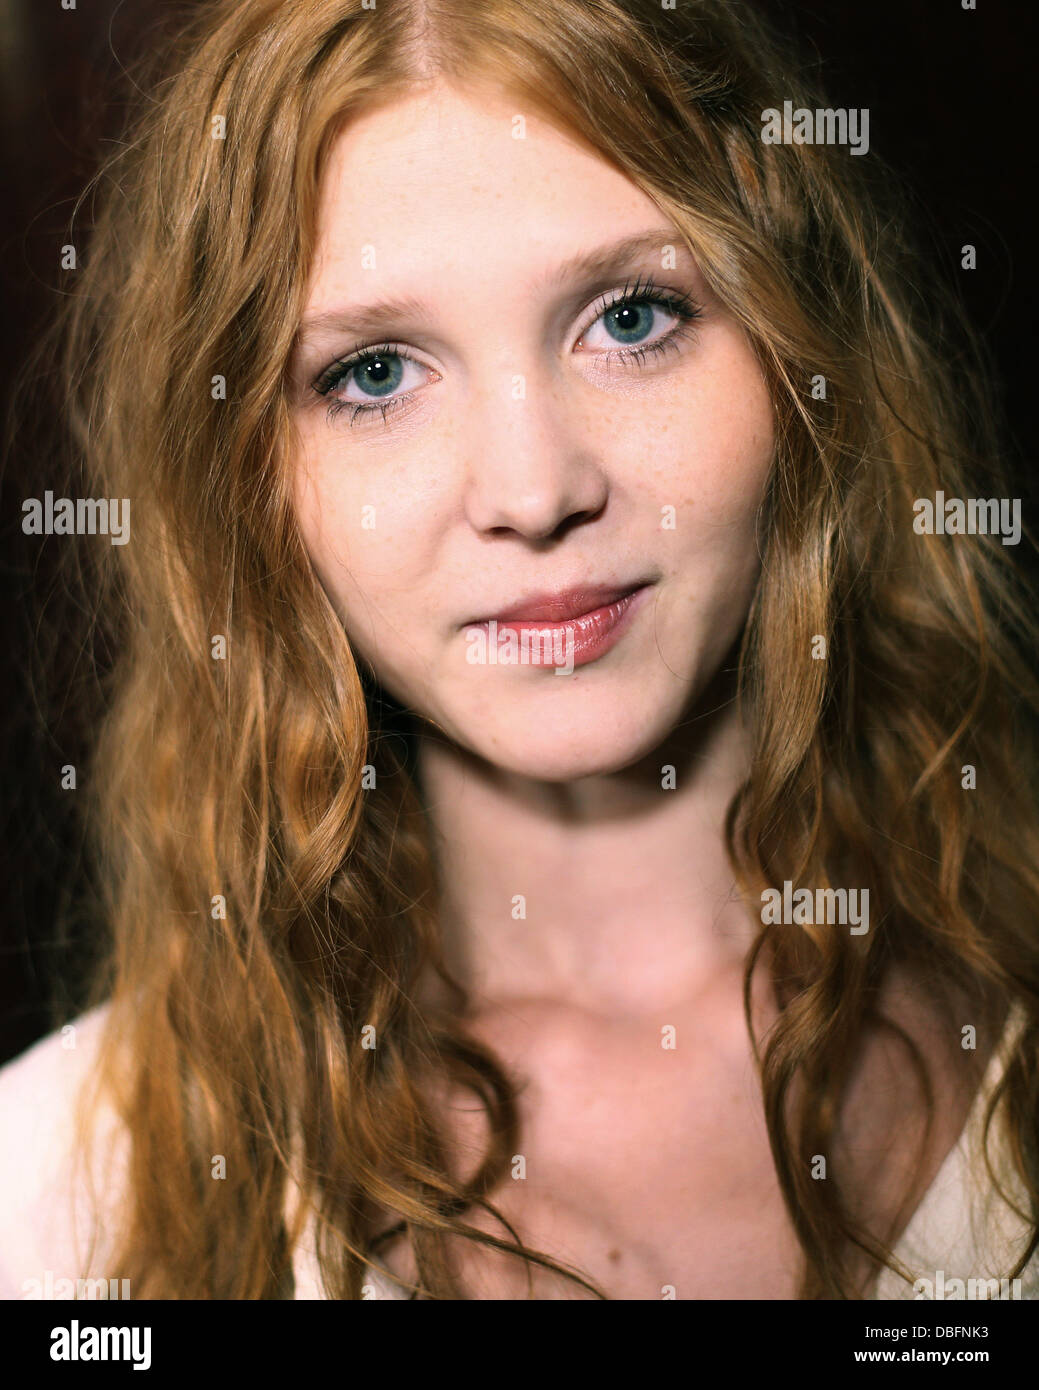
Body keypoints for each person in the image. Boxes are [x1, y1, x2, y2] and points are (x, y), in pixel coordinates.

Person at [1, 0, 1037, 1301]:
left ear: (797, 355)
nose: (535, 488)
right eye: (375, 372)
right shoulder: (51, 1200)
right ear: (246, 485)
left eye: (630, 317)